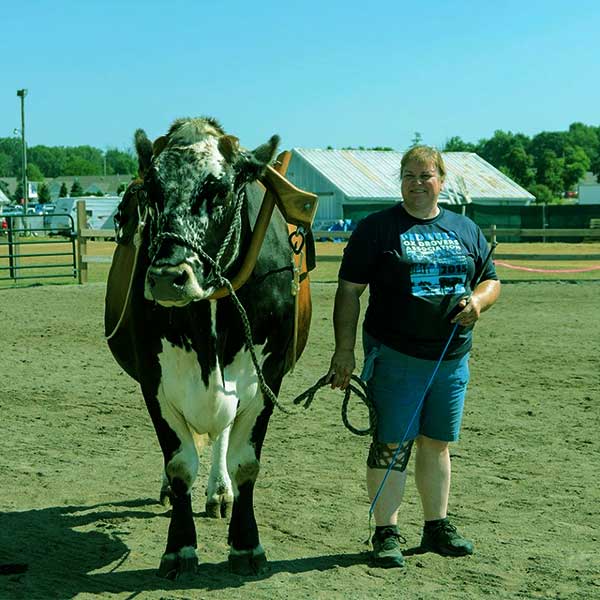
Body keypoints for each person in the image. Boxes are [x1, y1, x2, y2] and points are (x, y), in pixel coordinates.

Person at [327, 146, 500, 568]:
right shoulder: (376, 229)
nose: (417, 183)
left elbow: (492, 281)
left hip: (452, 360)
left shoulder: (466, 229)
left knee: (437, 444)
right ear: (400, 181)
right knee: (391, 445)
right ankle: (386, 531)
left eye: (426, 176)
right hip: (396, 357)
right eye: (408, 175)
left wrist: (478, 302)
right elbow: (349, 291)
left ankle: (435, 526)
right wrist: (344, 352)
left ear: (442, 180)